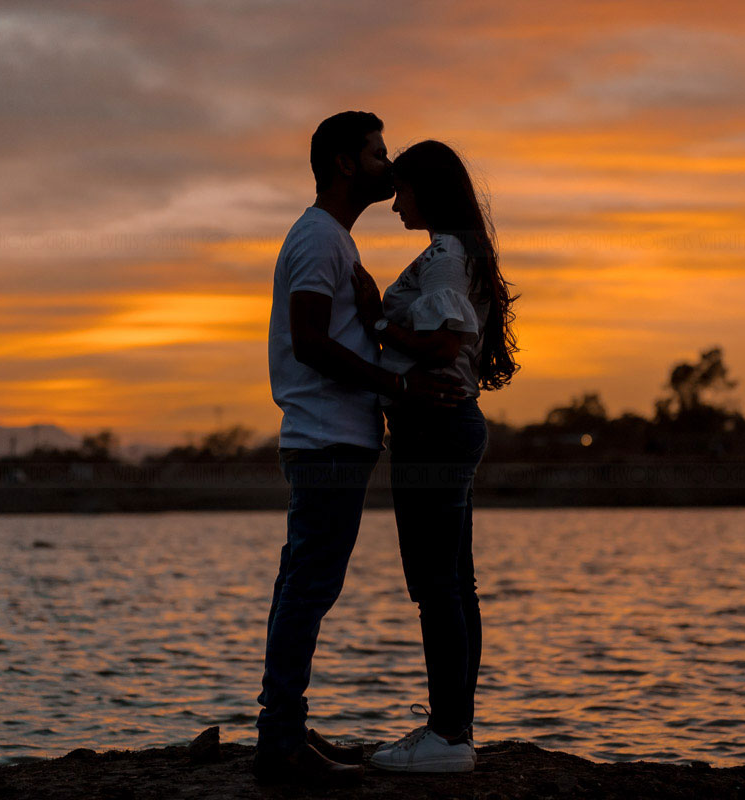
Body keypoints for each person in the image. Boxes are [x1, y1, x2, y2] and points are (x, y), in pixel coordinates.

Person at [255, 113, 466, 786]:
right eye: (378, 154)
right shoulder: (319, 239)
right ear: (346, 165)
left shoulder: (332, 240)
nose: (389, 165)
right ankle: (281, 740)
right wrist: (396, 382)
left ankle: (286, 728)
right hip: (325, 437)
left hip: (333, 436)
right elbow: (312, 340)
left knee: (307, 581)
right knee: (309, 584)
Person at [351, 139, 519, 772]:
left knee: (435, 587)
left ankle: (447, 737)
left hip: (433, 430)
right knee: (455, 585)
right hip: (450, 427)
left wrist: (376, 322)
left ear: (427, 191)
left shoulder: (445, 256)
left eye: (403, 191)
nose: (395, 205)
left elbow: (445, 345)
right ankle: (454, 730)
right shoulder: (461, 252)